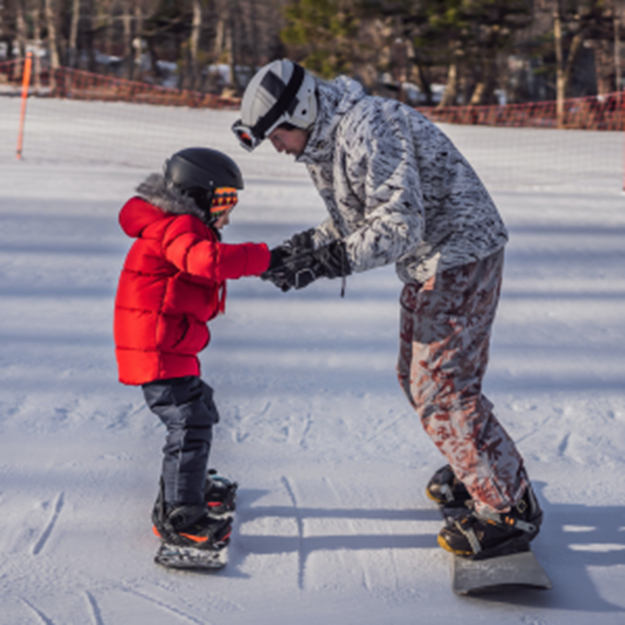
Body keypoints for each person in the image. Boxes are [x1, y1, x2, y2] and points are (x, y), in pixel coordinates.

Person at [232, 59, 543, 559]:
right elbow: (354, 220)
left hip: (460, 252)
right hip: (431, 261)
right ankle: (477, 468)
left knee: (441, 388)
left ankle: (508, 508)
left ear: (303, 110)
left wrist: (330, 263)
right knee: (416, 377)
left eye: (278, 134)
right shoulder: (325, 143)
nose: (278, 147)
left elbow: (399, 225)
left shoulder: (369, 125)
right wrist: (298, 250)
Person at [113, 147, 270, 554]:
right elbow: (205, 260)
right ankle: (181, 514)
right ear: (197, 195)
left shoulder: (173, 224)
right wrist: (263, 257)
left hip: (165, 343)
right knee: (189, 422)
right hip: (156, 347)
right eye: (223, 201)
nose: (227, 214)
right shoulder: (178, 226)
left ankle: (193, 485)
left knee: (199, 406)